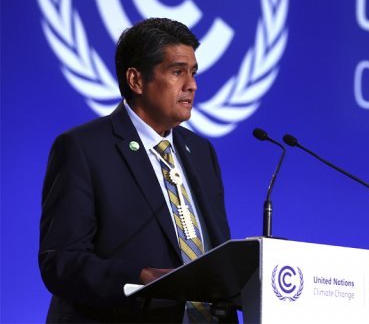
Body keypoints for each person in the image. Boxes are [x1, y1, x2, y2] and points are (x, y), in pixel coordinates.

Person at [39, 18, 235, 323]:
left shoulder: (200, 152)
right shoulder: (84, 149)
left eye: (193, 72)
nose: (192, 85)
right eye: (177, 72)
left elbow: (216, 252)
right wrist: (140, 278)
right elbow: (61, 261)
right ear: (136, 80)